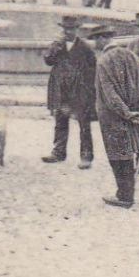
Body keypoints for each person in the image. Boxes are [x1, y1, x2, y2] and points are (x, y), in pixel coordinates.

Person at [94, 24, 139, 208]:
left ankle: (124, 195)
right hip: (133, 113)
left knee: (117, 155)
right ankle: (127, 193)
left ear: (103, 39)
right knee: (128, 152)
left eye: (96, 39)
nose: (95, 43)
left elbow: (109, 95)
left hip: (112, 117)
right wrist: (138, 110)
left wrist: (125, 113)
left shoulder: (103, 61)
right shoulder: (132, 56)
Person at [41, 16, 97, 168]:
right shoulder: (57, 45)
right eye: (66, 29)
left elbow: (93, 68)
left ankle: (86, 156)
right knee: (60, 120)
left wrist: (88, 89)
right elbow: (47, 61)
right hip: (61, 88)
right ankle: (58, 152)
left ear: (77, 29)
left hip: (79, 90)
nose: (68, 32)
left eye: (71, 29)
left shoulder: (84, 47)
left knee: (84, 124)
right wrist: (55, 48)